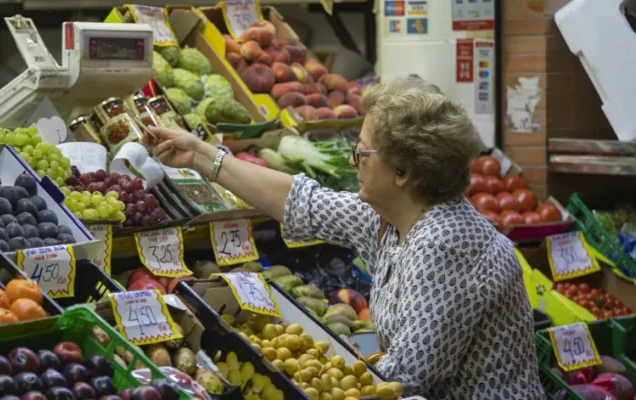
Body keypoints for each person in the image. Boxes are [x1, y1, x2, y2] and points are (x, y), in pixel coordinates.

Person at [144, 75, 544, 399]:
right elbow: (301, 202)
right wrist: (200, 155)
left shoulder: (444, 244)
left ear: (403, 172)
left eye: (363, 154)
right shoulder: (391, 216)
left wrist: (314, 378)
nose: (354, 161)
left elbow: (406, 375)